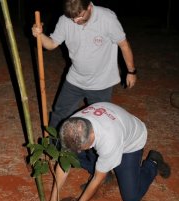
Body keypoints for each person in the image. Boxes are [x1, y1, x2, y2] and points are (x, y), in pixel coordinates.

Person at [47, 102, 171, 201]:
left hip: (131, 142)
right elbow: (65, 163)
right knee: (74, 154)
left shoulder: (109, 141)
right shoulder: (72, 125)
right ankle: (105, 170)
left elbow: (97, 179)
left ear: (91, 138)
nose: (79, 151)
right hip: (113, 125)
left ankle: (153, 163)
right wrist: (54, 198)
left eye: (80, 149)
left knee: (131, 197)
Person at [32, 0, 137, 129]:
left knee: (98, 122)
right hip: (75, 79)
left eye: (80, 16)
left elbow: (123, 45)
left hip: (101, 83)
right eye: (72, 18)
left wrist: (131, 71)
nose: (76, 21)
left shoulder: (107, 18)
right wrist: (40, 35)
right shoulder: (65, 20)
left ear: (89, 7)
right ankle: (54, 145)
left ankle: (94, 149)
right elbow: (51, 44)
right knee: (60, 113)